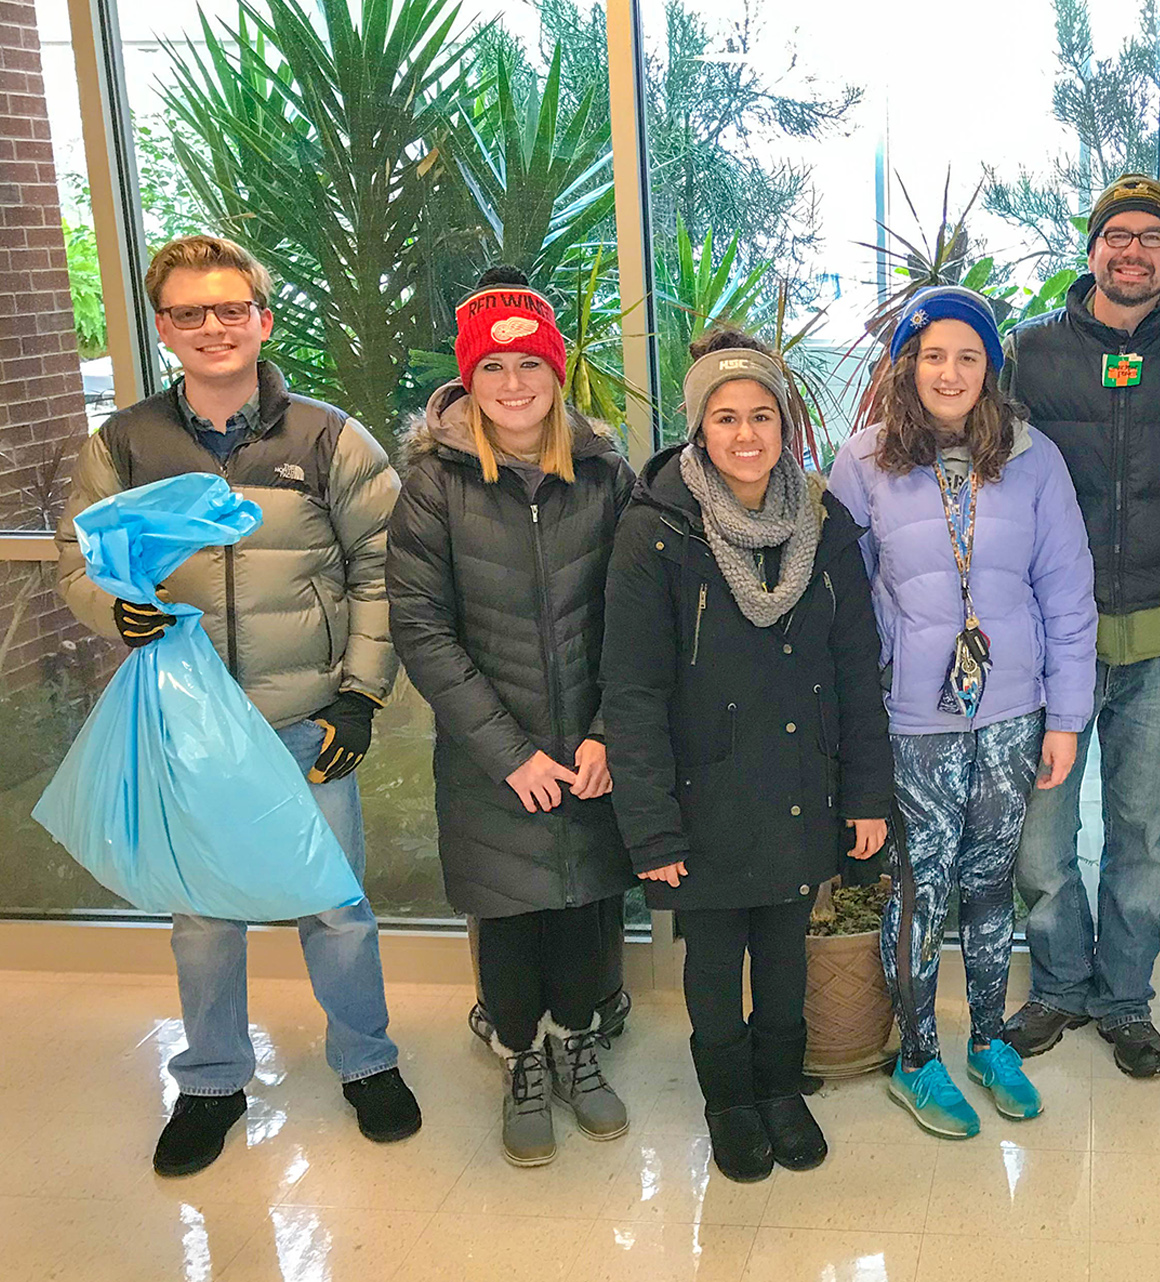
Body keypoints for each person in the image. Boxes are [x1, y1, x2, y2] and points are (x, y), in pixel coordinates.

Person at [55, 234, 420, 1176]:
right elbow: (78, 565)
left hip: (305, 716)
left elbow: (385, 567)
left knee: (335, 904)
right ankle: (213, 1080)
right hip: (187, 724)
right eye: (187, 312)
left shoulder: (328, 438)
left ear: (262, 318)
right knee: (201, 913)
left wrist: (362, 696)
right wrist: (110, 609)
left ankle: (366, 1061)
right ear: (164, 327)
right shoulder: (124, 443)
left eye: (230, 309)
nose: (211, 328)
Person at [600, 329, 893, 1182]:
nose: (746, 435)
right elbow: (632, 693)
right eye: (725, 417)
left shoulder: (824, 525)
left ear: (787, 424)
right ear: (699, 430)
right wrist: (653, 832)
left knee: (785, 949)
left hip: (801, 784)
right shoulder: (656, 532)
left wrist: (866, 796)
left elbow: (855, 678)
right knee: (716, 958)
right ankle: (728, 1099)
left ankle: (780, 1088)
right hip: (703, 798)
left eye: (762, 414)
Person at [829, 286, 1096, 1139]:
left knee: (991, 884)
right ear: (909, 365)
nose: (951, 372)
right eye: (934, 355)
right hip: (914, 718)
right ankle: (916, 1057)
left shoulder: (1034, 457)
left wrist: (1067, 718)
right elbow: (839, 601)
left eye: (968, 357)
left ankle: (987, 1038)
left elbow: (1068, 591)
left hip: (1014, 709)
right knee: (921, 886)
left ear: (990, 369)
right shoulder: (864, 461)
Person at [388, 267, 638, 1166]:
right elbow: (421, 628)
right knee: (507, 912)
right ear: (469, 379)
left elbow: (635, 615)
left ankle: (578, 1045)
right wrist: (508, 754)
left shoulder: (605, 473)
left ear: (556, 370)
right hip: (490, 755)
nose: (514, 383)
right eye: (492, 367)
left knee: (580, 906)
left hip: (590, 748)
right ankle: (522, 1057)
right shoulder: (434, 484)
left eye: (530, 362)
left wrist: (608, 728)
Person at [1003, 174, 1160, 1078]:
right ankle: (1060, 985)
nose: (1132, 249)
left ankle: (1125, 1000)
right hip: (1049, 645)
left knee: (1141, 836)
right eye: (1117, 234)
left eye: (1151, 236)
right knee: (1042, 834)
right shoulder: (1028, 354)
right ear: (1093, 248)